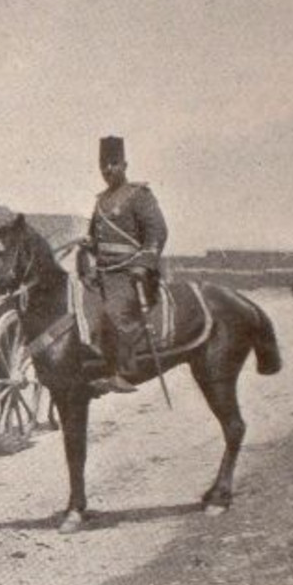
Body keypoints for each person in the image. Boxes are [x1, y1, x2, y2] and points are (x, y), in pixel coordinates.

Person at [82, 135, 169, 394]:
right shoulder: (101, 201)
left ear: (125, 165)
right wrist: (89, 245)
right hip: (103, 273)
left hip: (131, 272)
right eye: (103, 165)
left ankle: (126, 372)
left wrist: (144, 264)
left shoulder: (139, 195)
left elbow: (158, 232)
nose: (108, 170)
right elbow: (96, 239)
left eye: (113, 163)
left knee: (115, 313)